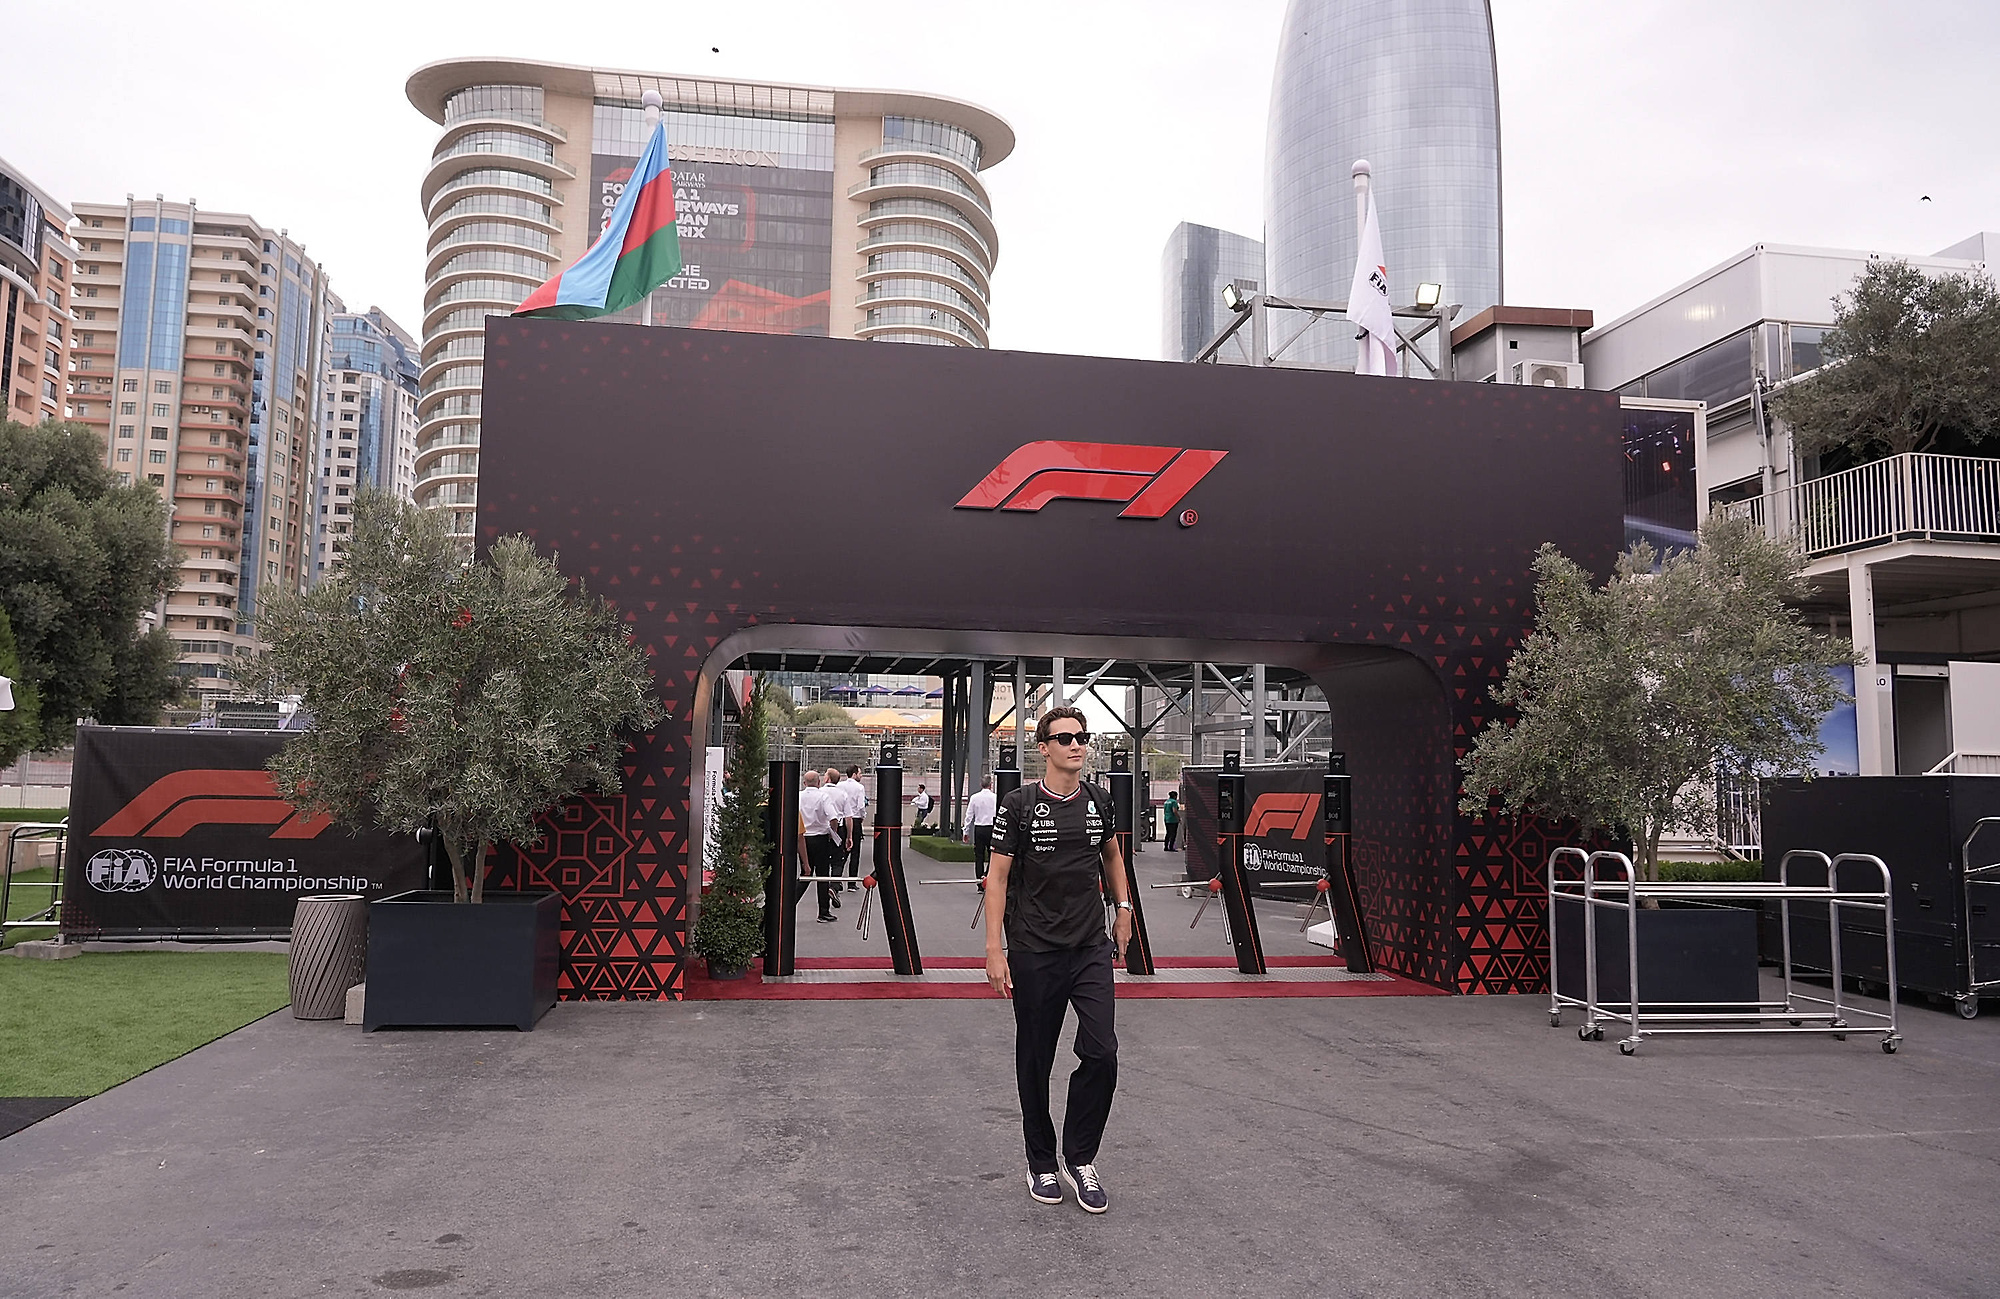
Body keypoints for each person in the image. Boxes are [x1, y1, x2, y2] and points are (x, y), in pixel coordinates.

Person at [985, 706, 1130, 1215]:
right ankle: (1041, 1162)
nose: (1076, 744)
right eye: (1064, 738)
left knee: (1103, 1052)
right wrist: (994, 950)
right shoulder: (1018, 804)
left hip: (1090, 947)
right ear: (1043, 747)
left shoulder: (1099, 800)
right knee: (1036, 1060)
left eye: (1082, 737)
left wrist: (1124, 909)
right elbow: (997, 879)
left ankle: (1080, 1158)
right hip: (1034, 950)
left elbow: (1112, 856)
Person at [798, 771, 839, 923]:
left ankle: (789, 905)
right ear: (819, 782)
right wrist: (832, 832)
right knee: (823, 876)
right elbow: (833, 818)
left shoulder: (799, 796)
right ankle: (823, 911)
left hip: (803, 839)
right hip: (821, 838)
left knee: (805, 873)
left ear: (804, 783)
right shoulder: (823, 797)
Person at [839, 764, 867, 889]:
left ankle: (836, 879)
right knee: (855, 852)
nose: (861, 776)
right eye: (860, 773)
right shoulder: (859, 788)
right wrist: (862, 816)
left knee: (841, 851)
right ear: (854, 774)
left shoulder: (839, 786)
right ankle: (851, 882)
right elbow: (861, 805)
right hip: (855, 820)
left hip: (841, 820)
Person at [963, 774, 997, 878]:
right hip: (991, 828)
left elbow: (969, 816)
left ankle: (979, 880)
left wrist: (966, 831)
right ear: (991, 785)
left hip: (979, 828)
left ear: (980, 784)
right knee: (992, 855)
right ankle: (987, 876)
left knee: (979, 856)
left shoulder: (974, 797)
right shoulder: (995, 798)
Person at [822, 768, 846, 907]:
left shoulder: (821, 792)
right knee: (837, 860)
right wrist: (849, 836)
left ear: (828, 779)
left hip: (823, 830)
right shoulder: (842, 794)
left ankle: (824, 891)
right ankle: (834, 885)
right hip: (838, 828)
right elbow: (848, 816)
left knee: (823, 862)